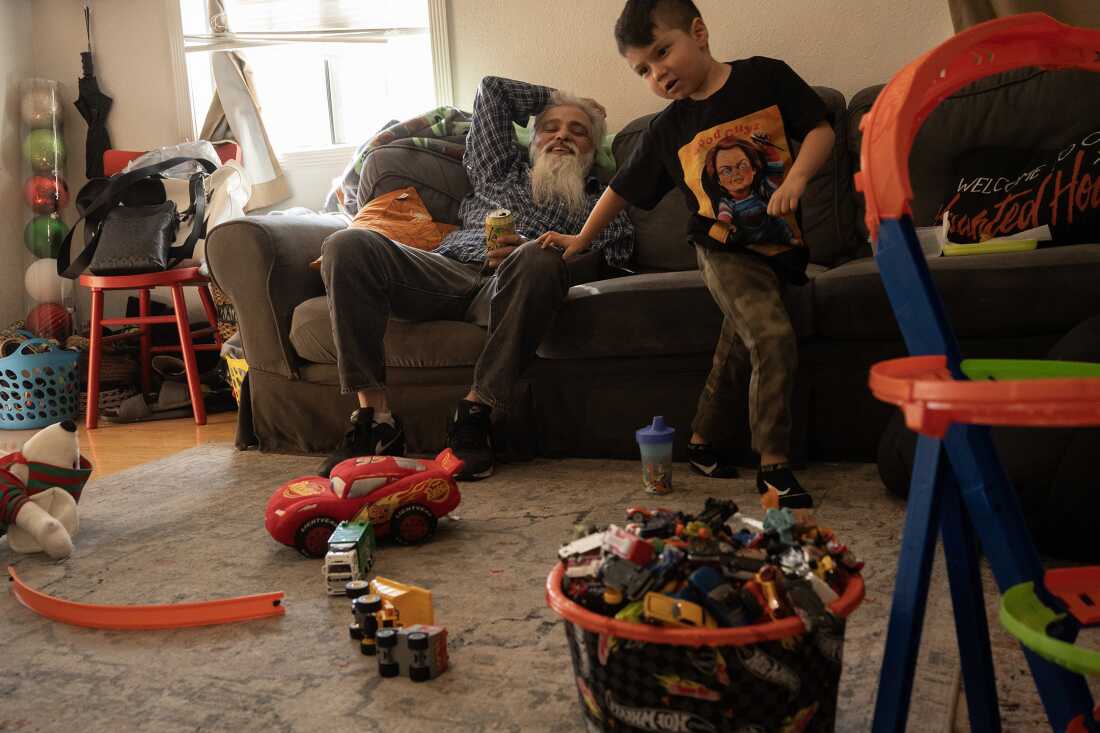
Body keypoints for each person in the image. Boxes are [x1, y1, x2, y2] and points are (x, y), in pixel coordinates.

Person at [536, 0, 834, 508]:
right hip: (721, 248)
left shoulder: (765, 78)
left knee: (739, 343)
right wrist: (581, 239)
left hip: (780, 245)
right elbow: (622, 190)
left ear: (698, 32)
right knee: (771, 334)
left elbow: (822, 130)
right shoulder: (667, 129)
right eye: (643, 69)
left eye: (662, 52)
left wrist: (800, 178)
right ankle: (774, 465)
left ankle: (701, 441)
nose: (658, 73)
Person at [319, 76, 634, 480]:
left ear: (594, 150)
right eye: (550, 127)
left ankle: (475, 414)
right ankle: (375, 419)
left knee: (536, 258)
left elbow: (611, 264)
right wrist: (561, 98)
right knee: (347, 244)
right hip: (445, 270)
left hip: (515, 284)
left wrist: (538, 248)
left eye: (579, 131)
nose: (561, 137)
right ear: (531, 141)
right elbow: (493, 89)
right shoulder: (497, 172)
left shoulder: (604, 207)